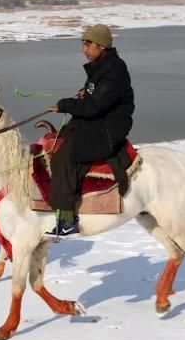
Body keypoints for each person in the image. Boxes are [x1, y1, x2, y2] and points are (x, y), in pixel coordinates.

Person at [47, 24, 135, 235]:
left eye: (88, 44)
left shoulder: (114, 69)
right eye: (83, 44)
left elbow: (95, 106)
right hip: (99, 120)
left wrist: (65, 105)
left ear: (101, 46)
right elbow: (95, 96)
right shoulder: (102, 65)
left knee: (63, 159)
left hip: (107, 128)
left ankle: (67, 220)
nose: (84, 49)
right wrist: (84, 93)